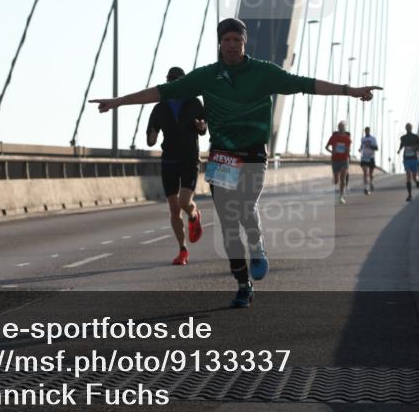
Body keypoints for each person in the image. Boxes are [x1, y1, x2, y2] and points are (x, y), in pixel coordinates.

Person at [92, 18, 381, 308]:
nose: (232, 45)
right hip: (222, 157)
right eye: (227, 40)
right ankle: (243, 284)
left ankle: (256, 245)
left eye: (237, 40)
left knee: (245, 208)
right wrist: (119, 101)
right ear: (220, 43)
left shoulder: (263, 72)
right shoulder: (207, 76)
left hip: (253, 154)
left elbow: (305, 84)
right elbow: (161, 92)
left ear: (244, 42)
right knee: (228, 223)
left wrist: (350, 90)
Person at [146, 66, 206, 266]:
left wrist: (201, 126)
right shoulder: (160, 107)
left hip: (189, 158)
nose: (174, 84)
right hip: (169, 160)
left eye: (177, 80)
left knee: (184, 202)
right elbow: (151, 134)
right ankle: (183, 250)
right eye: (171, 80)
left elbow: (204, 126)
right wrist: (152, 137)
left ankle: (194, 215)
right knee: (173, 208)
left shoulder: (194, 103)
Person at [326, 121, 352, 204]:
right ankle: (337, 181)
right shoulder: (333, 137)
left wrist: (347, 151)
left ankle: (341, 196)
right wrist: (331, 152)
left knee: (343, 179)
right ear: (338, 127)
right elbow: (326, 147)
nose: (341, 128)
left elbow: (348, 150)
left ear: (344, 128)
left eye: (342, 127)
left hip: (344, 160)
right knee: (336, 180)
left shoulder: (347, 139)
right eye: (339, 126)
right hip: (335, 160)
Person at [397, 123, 419, 201]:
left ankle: (417, 181)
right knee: (408, 175)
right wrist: (399, 150)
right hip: (406, 159)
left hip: (414, 159)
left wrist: (415, 148)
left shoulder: (416, 137)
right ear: (405, 128)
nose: (408, 128)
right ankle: (410, 195)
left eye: (409, 127)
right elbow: (402, 144)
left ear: (411, 128)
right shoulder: (403, 138)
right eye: (407, 127)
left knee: (414, 176)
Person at [359, 126, 378, 194]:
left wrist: (370, 146)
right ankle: (366, 188)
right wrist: (360, 149)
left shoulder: (373, 138)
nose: (367, 131)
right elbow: (362, 146)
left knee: (371, 174)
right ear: (365, 131)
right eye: (366, 130)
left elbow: (376, 148)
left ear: (369, 131)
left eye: (368, 130)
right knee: (365, 173)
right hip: (364, 157)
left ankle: (371, 182)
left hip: (371, 157)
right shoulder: (362, 139)